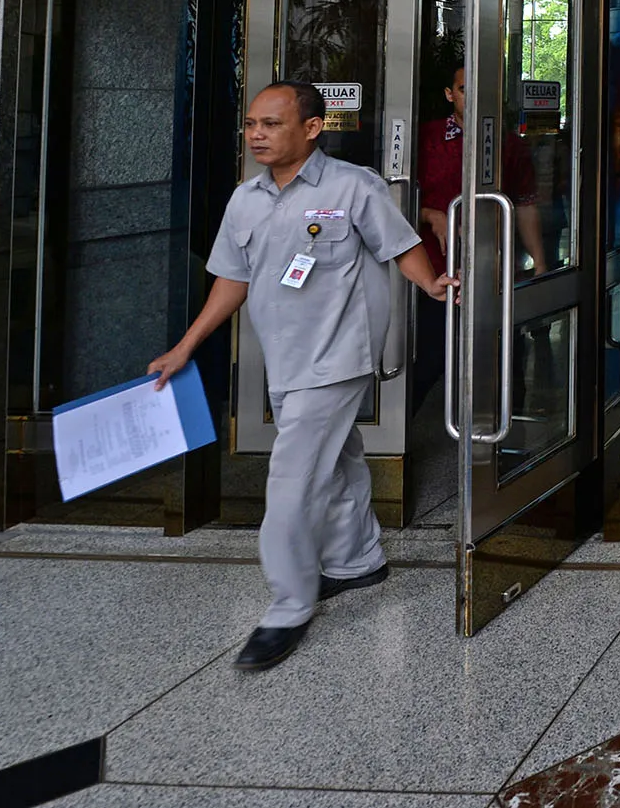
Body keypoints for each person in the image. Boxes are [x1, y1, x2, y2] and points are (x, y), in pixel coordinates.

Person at [146, 81, 454, 671]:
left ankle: (288, 604)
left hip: (338, 356)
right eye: (251, 124)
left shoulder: (352, 186)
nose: (256, 135)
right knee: (336, 459)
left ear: (312, 129)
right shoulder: (245, 200)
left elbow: (400, 245)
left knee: (292, 474)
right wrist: (185, 346)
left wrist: (431, 284)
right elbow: (231, 281)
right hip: (284, 359)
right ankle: (358, 559)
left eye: (271, 124)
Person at [418, 65, 550, 278]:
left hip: (492, 268)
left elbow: (525, 205)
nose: (473, 96)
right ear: (449, 94)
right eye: (464, 89)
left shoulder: (509, 144)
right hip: (432, 270)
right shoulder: (426, 138)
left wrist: (540, 263)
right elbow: (397, 199)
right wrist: (430, 215)